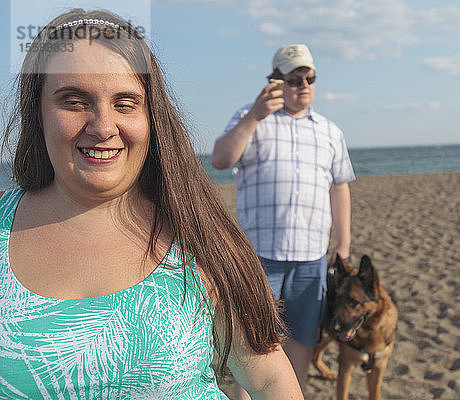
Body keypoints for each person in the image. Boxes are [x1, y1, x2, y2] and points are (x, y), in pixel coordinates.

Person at [0, 9, 302, 399]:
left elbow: (268, 379)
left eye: (125, 103)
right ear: (37, 113)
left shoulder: (199, 236)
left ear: (151, 116)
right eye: (74, 101)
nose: (103, 126)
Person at [212, 44, 355, 396]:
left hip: (310, 259)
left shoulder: (329, 130)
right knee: (253, 343)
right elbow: (219, 158)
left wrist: (344, 242)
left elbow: (339, 188)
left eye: (309, 77)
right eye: (294, 79)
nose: (303, 85)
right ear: (276, 81)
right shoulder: (250, 117)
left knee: (303, 338)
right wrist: (254, 117)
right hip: (259, 256)